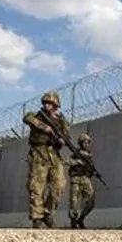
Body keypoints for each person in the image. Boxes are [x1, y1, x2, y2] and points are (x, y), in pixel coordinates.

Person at [23, 91, 70, 228]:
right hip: (39, 152)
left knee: (59, 184)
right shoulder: (37, 116)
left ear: (56, 105)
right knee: (36, 186)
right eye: (45, 102)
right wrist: (45, 127)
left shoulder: (61, 120)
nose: (46, 105)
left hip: (54, 153)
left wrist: (62, 140)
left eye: (50, 103)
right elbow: (27, 118)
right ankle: (37, 217)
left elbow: (66, 135)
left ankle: (47, 212)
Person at [66, 133, 97, 229]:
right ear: (81, 142)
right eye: (85, 142)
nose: (87, 144)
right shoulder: (76, 152)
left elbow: (91, 167)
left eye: (88, 142)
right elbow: (67, 161)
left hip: (85, 178)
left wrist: (93, 172)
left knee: (91, 200)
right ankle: (73, 221)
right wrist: (76, 162)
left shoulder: (88, 154)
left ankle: (81, 219)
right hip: (76, 178)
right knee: (74, 202)